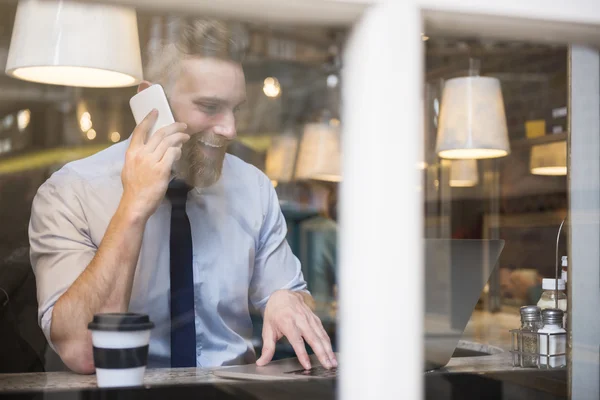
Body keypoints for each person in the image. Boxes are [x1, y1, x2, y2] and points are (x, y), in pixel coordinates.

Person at [28, 19, 336, 374]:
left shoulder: (253, 188)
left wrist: (288, 300)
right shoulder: (69, 193)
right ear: (150, 102)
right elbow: (83, 351)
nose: (230, 129)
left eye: (235, 108)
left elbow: (297, 294)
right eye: (209, 107)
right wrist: (133, 207)